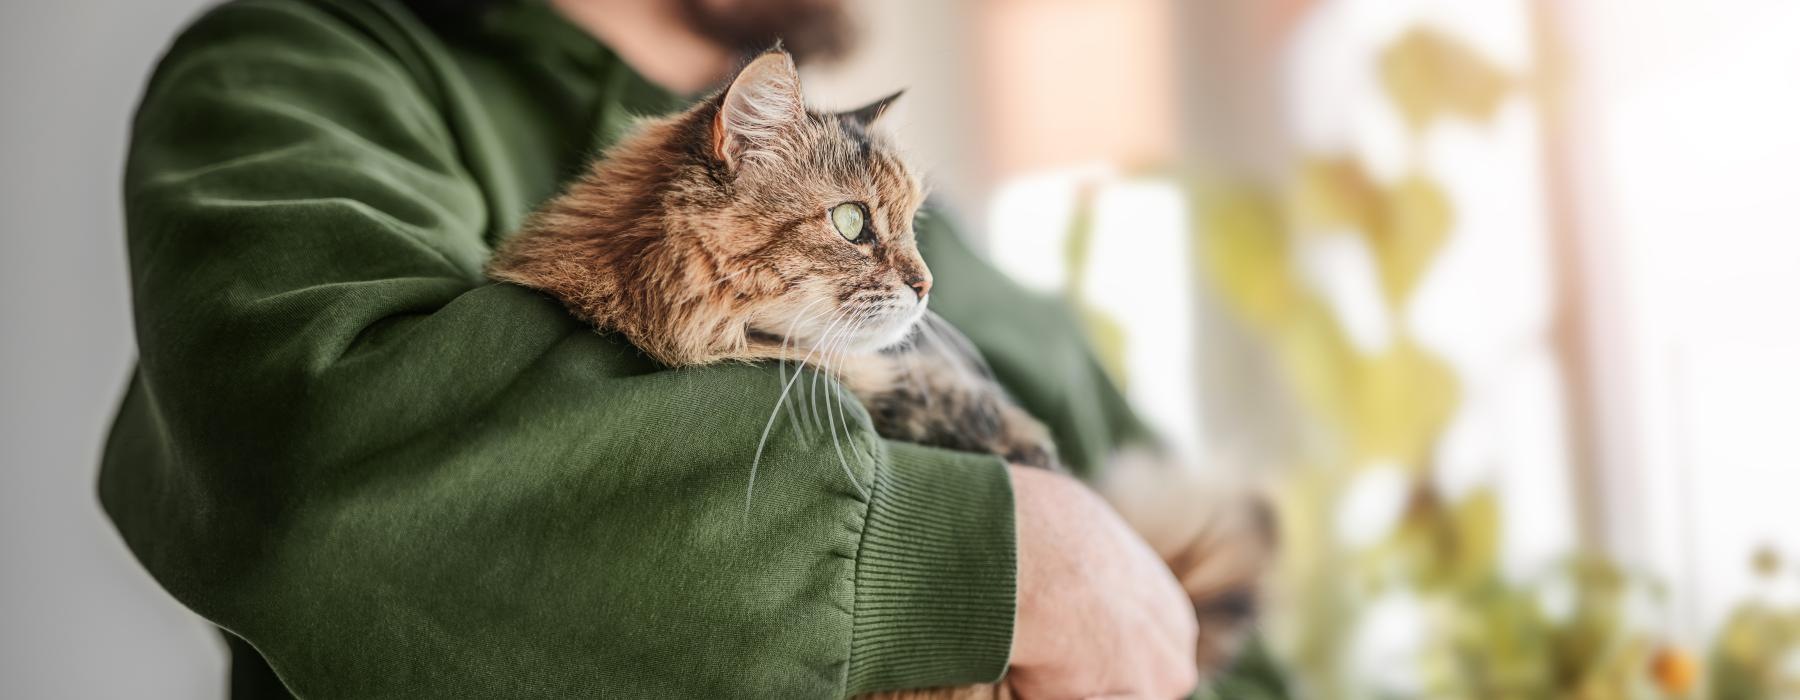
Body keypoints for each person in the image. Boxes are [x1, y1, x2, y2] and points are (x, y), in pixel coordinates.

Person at [101, 0, 1199, 697]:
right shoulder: (302, 65)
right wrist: (999, 558)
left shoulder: (906, 213)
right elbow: (322, 479)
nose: (917, 276)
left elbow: (1213, 613)